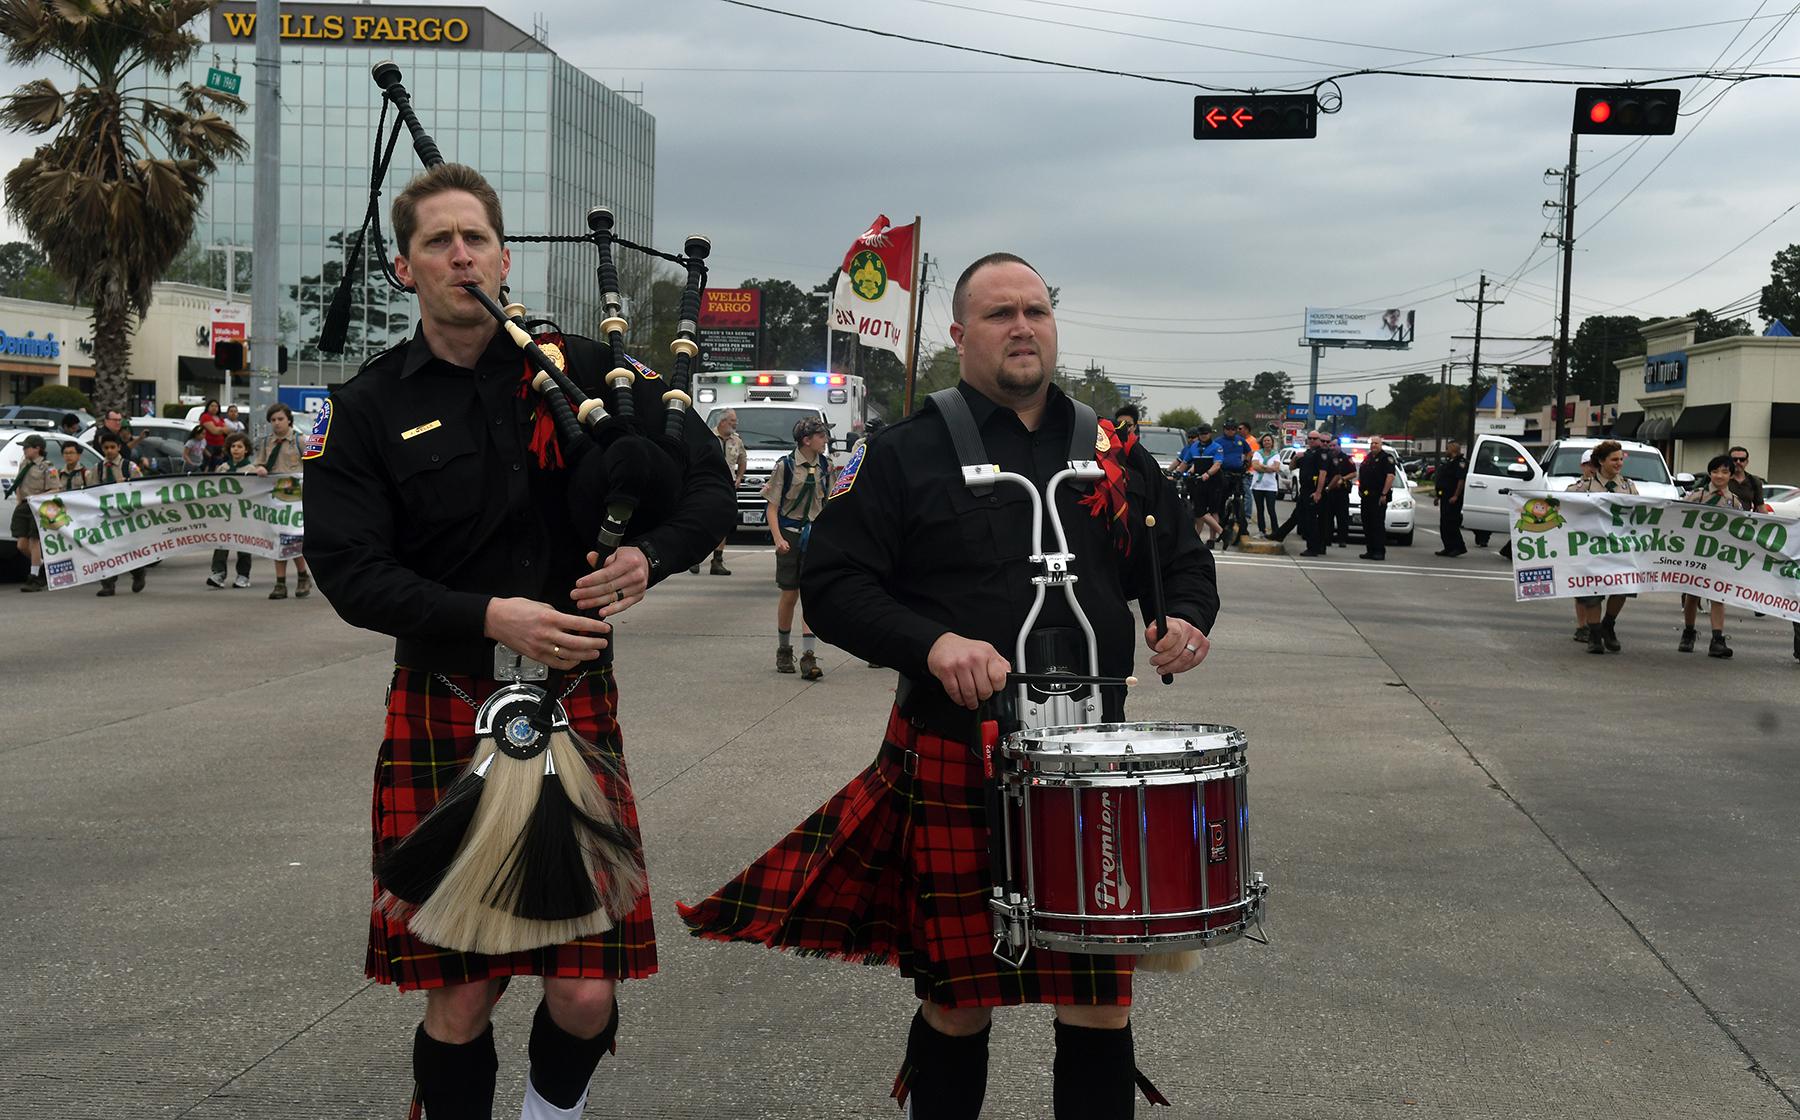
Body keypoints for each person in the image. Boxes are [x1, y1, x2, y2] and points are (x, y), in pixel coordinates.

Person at [679, 253, 1217, 1118]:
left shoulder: (1112, 452)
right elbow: (836, 585)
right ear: (961, 336)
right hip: (959, 750)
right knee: (959, 1000)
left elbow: (1181, 563)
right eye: (1000, 314)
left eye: (1036, 310)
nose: (1022, 327)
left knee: (1100, 1002)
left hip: (1088, 762)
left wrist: (1186, 617)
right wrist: (930, 644)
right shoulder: (904, 452)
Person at [302, 161, 734, 1120]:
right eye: (436, 242)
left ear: (504, 256)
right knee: (460, 995)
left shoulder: (587, 372)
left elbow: (704, 482)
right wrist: (488, 614)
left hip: (573, 705)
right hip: (444, 702)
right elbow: (348, 569)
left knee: (585, 993)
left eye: (476, 239)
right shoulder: (368, 406)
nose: (461, 255)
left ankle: (552, 1113)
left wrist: (650, 560)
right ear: (404, 269)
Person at [764, 415, 836, 679]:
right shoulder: (786, 466)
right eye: (821, 436)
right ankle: (784, 650)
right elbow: (772, 507)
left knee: (810, 594)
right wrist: (778, 539)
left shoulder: (826, 466)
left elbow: (828, 504)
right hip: (790, 534)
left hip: (814, 534)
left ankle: (808, 656)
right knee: (790, 594)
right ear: (807, 440)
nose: (825, 440)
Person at [1567, 440, 1638, 654]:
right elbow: (1563, 507)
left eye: (1620, 459)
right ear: (1601, 461)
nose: (1619, 463)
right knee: (1592, 592)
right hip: (1592, 547)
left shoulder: (1628, 487)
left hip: (1620, 547)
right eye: (1614, 459)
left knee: (1624, 587)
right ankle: (1595, 635)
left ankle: (1609, 624)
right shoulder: (1583, 488)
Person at [1676, 454, 1742, 658]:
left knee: (1717, 595)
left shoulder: (1734, 502)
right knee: (1692, 594)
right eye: (1715, 471)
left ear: (1731, 475)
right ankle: (1688, 632)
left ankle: (1717, 639)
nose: (1719, 475)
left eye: (1724, 471)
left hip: (1718, 556)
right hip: (1695, 553)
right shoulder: (1697, 496)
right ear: (1709, 473)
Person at [255, 403, 312, 600]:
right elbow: (258, 464)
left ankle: (302, 576)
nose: (277, 423)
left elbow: (315, 464)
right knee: (278, 539)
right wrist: (260, 468)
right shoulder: (265, 443)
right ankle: (280, 583)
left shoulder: (300, 441)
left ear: (289, 420)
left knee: (294, 538)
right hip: (275, 499)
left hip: (297, 500)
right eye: (273, 420)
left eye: (280, 419)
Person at [91, 431, 146, 596]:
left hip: (126, 514)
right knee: (106, 549)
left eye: (112, 447)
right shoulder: (98, 468)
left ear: (119, 447)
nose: (109, 451)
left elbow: (142, 487)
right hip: (106, 514)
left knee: (129, 548)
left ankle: (138, 573)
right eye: (106, 447)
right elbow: (92, 490)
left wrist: (127, 483)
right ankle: (108, 583)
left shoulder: (129, 467)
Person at [692, 408, 745, 575]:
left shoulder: (737, 441)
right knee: (702, 522)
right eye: (732, 420)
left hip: (727, 488)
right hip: (707, 487)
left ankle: (717, 561)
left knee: (723, 523)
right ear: (722, 422)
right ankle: (694, 559)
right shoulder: (707, 438)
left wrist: (739, 477)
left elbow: (743, 459)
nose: (735, 423)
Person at [209, 432, 260, 589]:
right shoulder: (223, 468)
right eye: (233, 446)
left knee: (244, 545)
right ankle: (218, 573)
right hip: (225, 512)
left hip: (243, 512)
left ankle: (243, 575)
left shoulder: (251, 469)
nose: (236, 450)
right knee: (221, 543)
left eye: (240, 446)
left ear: (246, 450)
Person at [9, 434, 55, 592]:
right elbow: (19, 484)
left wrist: (37, 498)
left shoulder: (47, 466)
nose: (24, 450)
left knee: (34, 541)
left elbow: (56, 488)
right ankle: (43, 566)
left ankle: (34, 577)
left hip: (38, 506)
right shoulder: (24, 463)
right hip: (23, 506)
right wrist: (19, 500)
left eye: (27, 447)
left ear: (38, 448)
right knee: (21, 545)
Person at [1197, 420, 1251, 540]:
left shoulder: (1240, 441)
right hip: (1223, 474)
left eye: (1233, 429)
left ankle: (1243, 527)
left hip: (1238, 474)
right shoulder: (1218, 442)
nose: (1230, 431)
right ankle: (1219, 528)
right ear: (1224, 429)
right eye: (1228, 429)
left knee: (1240, 499)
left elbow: (1249, 452)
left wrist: (1247, 461)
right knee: (1220, 502)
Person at [1174, 423, 1221, 543]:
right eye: (1201, 434)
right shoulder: (1194, 447)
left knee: (1212, 510)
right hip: (1198, 482)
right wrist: (1176, 473)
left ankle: (1213, 537)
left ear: (1210, 434)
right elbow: (1185, 462)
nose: (1203, 436)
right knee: (1199, 511)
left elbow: (1217, 464)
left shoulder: (1217, 447)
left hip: (1213, 482)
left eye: (1205, 433)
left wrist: (1208, 474)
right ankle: (1197, 537)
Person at [1357, 435, 1398, 561]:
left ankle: (1379, 551)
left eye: (1376, 443)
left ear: (1381, 444)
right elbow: (1362, 474)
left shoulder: (1386, 458)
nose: (1373, 445)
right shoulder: (1368, 457)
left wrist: (1384, 494)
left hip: (1378, 496)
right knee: (1367, 524)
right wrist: (1360, 489)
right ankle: (1370, 550)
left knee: (1377, 525)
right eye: (1372, 443)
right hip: (1366, 496)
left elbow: (1390, 476)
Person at [1572, 451, 1597, 643]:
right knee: (1582, 587)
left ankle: (1597, 625)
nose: (1592, 468)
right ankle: (1582, 626)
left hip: (1606, 544)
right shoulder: (1575, 489)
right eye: (1589, 464)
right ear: (1582, 466)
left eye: (1595, 464)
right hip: (1581, 542)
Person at [1434, 439, 1468, 557]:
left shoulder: (1460, 463)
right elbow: (1443, 480)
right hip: (1445, 496)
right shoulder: (1449, 462)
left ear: (1453, 449)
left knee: (1451, 523)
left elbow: (1460, 480)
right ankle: (1448, 547)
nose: (1446, 450)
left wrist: (1456, 495)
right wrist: (1437, 496)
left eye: (1447, 448)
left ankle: (1458, 547)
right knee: (1444, 524)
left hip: (1453, 498)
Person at [1249, 430, 1281, 535]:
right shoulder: (1258, 453)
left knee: (1271, 509)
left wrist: (1263, 466)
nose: (1267, 442)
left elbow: (1276, 468)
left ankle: (1276, 532)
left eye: (1269, 440)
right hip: (1258, 486)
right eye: (1265, 440)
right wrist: (1268, 468)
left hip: (1270, 486)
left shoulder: (1276, 454)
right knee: (1260, 510)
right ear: (1262, 442)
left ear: (1272, 442)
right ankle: (1261, 531)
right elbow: (1255, 466)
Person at [1726, 445, 1765, 512]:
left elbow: (1760, 506)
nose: (1738, 462)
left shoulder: (1754, 481)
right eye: (1734, 459)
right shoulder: (1721, 479)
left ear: (1747, 462)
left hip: (1745, 520)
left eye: (1742, 460)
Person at [199, 398, 228, 468]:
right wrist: (221, 429)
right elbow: (214, 431)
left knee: (220, 464)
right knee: (208, 464)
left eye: (216, 406)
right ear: (208, 407)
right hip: (209, 445)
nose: (214, 408)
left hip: (221, 445)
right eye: (212, 406)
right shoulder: (205, 416)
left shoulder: (220, 418)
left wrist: (219, 429)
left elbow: (227, 430)